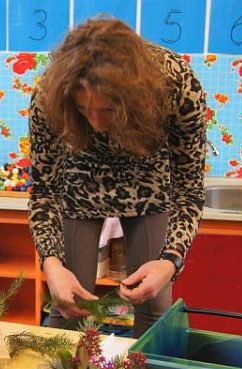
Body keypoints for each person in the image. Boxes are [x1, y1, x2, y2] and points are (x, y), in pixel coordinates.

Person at [28, 18, 207, 336]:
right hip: (80, 178)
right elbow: (45, 190)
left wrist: (170, 261)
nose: (96, 124)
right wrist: (51, 263)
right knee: (69, 302)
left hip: (148, 177)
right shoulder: (49, 93)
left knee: (154, 305)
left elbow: (188, 189)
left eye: (108, 110)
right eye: (84, 110)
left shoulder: (174, 83)